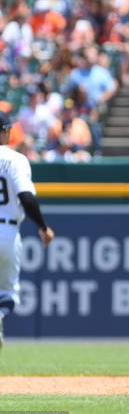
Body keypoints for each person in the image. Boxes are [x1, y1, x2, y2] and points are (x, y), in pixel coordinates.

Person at [0, 112, 54, 348]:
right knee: (8, 293)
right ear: (6, 131)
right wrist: (42, 226)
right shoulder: (15, 159)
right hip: (7, 232)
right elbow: (26, 197)